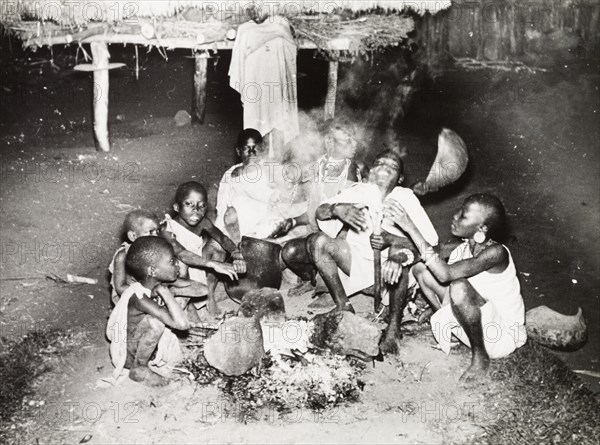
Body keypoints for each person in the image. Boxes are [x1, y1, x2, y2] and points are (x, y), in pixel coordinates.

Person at [290, 150, 438, 353]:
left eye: (392, 166)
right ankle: (344, 306)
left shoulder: (406, 197)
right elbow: (320, 212)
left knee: (400, 254)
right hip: (356, 265)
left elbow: (430, 243)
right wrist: (337, 209)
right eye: (380, 163)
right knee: (317, 241)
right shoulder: (359, 191)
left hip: (392, 276)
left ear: (401, 179)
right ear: (371, 170)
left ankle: (394, 327)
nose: (385, 167)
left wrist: (395, 249)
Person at [384, 193, 527, 380]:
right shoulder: (462, 247)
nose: (455, 216)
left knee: (459, 286)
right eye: (460, 210)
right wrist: (398, 257)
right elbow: (424, 254)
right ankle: (446, 326)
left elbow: (445, 274)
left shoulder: (496, 253)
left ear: (482, 228)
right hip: (476, 323)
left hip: (498, 335)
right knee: (421, 269)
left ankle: (480, 358)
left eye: (463, 215)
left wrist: (410, 226)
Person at [281, 118, 368, 299]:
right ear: (329, 142)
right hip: (317, 235)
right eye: (347, 141)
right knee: (288, 252)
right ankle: (311, 279)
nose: (354, 145)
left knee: (321, 246)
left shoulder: (351, 170)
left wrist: (340, 240)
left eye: (354, 140)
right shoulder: (318, 166)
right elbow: (315, 209)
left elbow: (355, 213)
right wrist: (294, 221)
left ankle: (331, 286)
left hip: (343, 240)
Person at [106, 237, 203, 386]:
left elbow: (203, 289)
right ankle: (139, 368)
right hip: (127, 354)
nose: (178, 264)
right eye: (172, 261)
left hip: (142, 344)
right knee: (156, 323)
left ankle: (152, 355)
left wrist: (173, 291)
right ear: (152, 270)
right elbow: (183, 324)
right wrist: (165, 292)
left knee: (179, 300)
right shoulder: (139, 298)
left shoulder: (158, 281)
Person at [163, 181, 246, 316]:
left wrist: (236, 253)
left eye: (201, 206)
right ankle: (190, 307)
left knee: (217, 246)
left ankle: (210, 295)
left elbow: (222, 238)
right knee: (181, 262)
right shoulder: (167, 228)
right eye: (189, 204)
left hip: (199, 263)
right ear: (177, 207)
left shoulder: (203, 222)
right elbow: (181, 253)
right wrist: (214, 264)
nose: (196, 210)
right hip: (179, 273)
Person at [109, 210, 160, 305]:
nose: (156, 236)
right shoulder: (123, 256)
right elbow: (120, 288)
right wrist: (150, 293)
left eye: (158, 231)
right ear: (133, 236)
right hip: (131, 301)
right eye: (151, 232)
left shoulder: (158, 252)